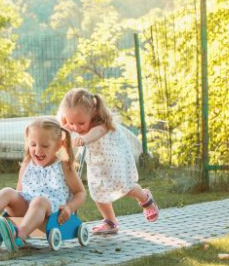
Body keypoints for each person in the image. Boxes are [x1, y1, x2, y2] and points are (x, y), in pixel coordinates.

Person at [0, 116, 86, 252]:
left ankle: (19, 234)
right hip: (28, 211)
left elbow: (80, 193)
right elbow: (19, 192)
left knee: (39, 201)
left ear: (58, 145)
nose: (38, 150)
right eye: (33, 144)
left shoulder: (64, 166)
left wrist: (70, 208)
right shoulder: (27, 164)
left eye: (45, 146)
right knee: (8, 192)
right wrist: (11, 207)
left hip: (51, 214)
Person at [58, 88, 158, 234]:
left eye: (80, 123)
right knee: (97, 190)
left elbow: (94, 134)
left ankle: (144, 197)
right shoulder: (75, 122)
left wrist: (83, 139)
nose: (76, 127)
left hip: (114, 159)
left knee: (124, 187)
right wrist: (58, 134)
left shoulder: (102, 124)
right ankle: (111, 222)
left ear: (93, 113)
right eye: (71, 122)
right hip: (97, 162)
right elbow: (63, 129)